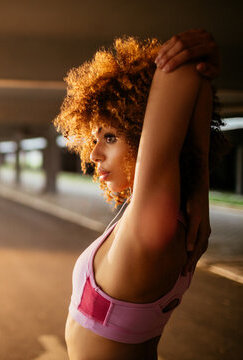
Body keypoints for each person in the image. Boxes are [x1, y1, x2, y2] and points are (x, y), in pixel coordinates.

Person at [54, 29, 226, 359]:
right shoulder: (168, 216)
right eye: (94, 140)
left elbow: (181, 71)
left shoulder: (151, 225)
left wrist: (189, 56)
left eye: (110, 137)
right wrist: (200, 187)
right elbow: (192, 98)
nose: (93, 155)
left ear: (140, 130)